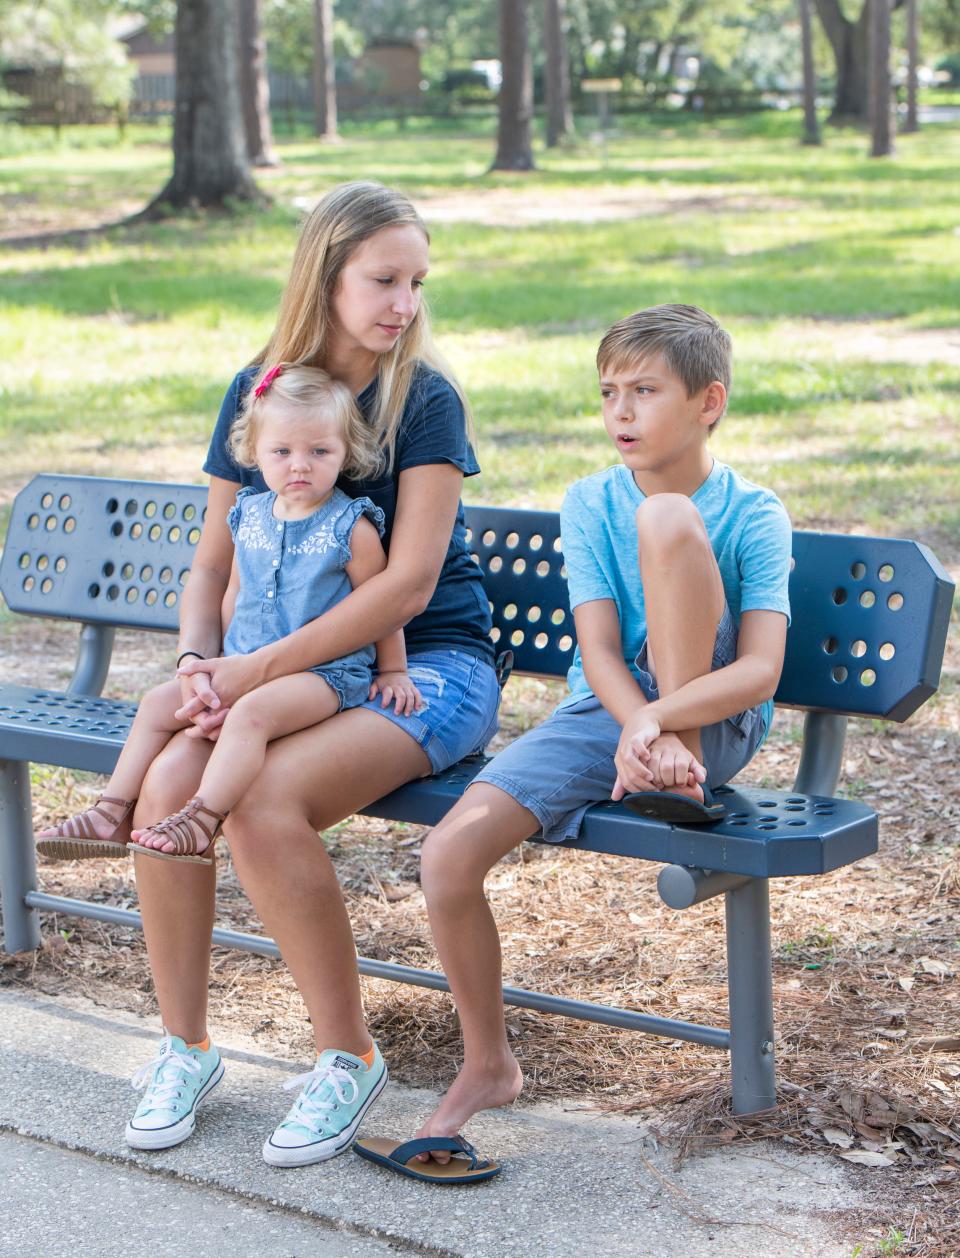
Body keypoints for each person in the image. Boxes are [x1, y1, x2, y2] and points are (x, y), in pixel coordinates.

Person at [56, 182, 501, 1162]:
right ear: (325, 276)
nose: (405, 304)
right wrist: (196, 663)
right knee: (172, 779)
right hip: (275, 668)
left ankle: (347, 1056)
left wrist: (251, 669)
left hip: (421, 670)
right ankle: (185, 1045)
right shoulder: (257, 390)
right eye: (384, 279)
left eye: (417, 282)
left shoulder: (422, 398)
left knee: (257, 802)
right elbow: (212, 563)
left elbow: (409, 586)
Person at [414, 303, 792, 1159]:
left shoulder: (755, 512)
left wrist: (665, 717)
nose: (620, 412)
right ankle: (486, 1064)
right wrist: (636, 723)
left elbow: (761, 671)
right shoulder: (588, 500)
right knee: (446, 856)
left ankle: (677, 763)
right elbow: (597, 649)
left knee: (665, 519)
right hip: (610, 715)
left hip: (712, 720)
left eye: (645, 391)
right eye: (608, 392)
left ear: (710, 402)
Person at [36, 364, 421, 865]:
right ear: (254, 453)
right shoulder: (249, 514)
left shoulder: (351, 526)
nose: (299, 465)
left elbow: (381, 607)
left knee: (250, 715)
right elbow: (233, 591)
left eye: (319, 451)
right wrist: (207, 666)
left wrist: (392, 670)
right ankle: (111, 811)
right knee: (158, 704)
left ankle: (202, 819)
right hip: (240, 664)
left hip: (323, 675)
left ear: (346, 452)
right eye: (282, 452)